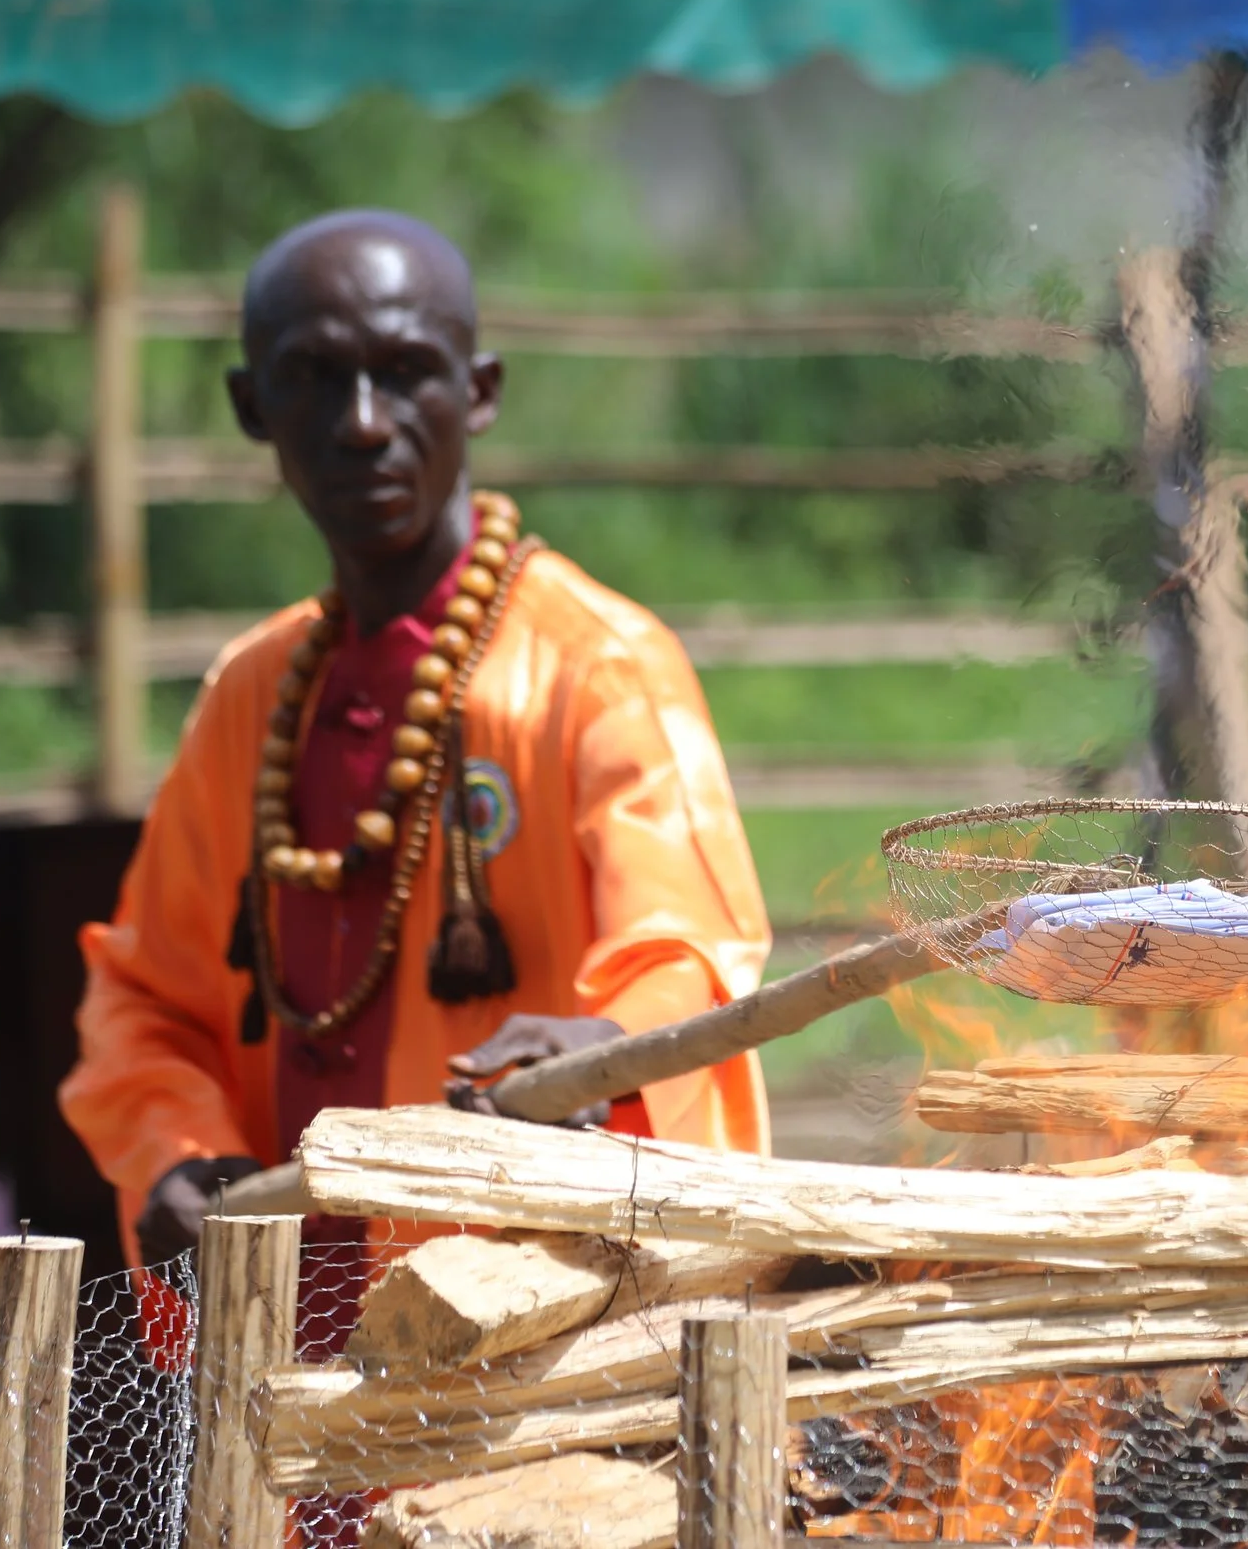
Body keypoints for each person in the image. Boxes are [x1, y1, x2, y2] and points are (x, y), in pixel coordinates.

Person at [59, 210, 772, 1273]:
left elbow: (689, 957)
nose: (361, 423)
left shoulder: (597, 665)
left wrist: (602, 1047)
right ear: (252, 406)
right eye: (314, 377)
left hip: (527, 1310)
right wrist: (179, 1151)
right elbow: (144, 1002)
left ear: (478, 391)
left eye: (404, 373)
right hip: (278, 1318)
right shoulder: (251, 693)